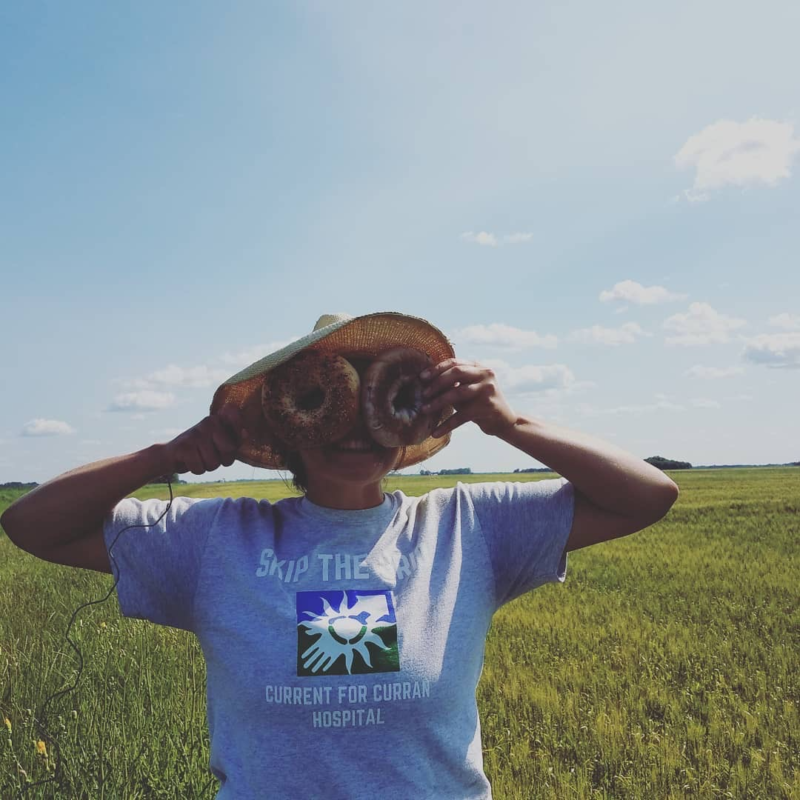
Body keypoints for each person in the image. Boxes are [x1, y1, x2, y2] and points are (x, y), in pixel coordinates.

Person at [2, 311, 679, 799]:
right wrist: (162, 458)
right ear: (283, 429)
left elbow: (647, 495)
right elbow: (34, 525)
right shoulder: (212, 540)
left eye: (377, 403)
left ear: (408, 421)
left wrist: (511, 423)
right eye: (328, 403)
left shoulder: (469, 526)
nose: (354, 429)